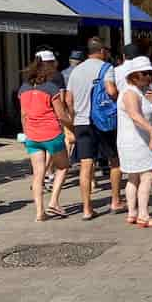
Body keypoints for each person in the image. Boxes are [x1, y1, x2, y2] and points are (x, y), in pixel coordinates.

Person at [65, 38, 123, 219]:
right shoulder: (107, 68)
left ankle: (87, 209)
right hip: (102, 121)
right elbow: (111, 91)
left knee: (86, 164)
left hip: (82, 122)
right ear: (102, 51)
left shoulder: (76, 71)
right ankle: (115, 200)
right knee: (114, 160)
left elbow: (68, 99)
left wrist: (73, 119)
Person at [18, 54, 72, 221]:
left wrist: (26, 131)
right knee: (62, 167)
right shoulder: (51, 88)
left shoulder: (23, 89)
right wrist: (71, 126)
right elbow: (61, 115)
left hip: (32, 136)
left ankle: (39, 212)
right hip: (52, 133)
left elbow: (23, 115)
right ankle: (54, 202)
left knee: (38, 174)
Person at [116, 55, 152, 229]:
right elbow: (135, 116)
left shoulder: (141, 92)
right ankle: (142, 213)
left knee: (133, 177)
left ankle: (133, 212)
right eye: (145, 73)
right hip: (136, 141)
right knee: (146, 176)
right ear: (134, 75)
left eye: (150, 73)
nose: (149, 77)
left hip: (135, 140)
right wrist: (151, 131)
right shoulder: (130, 92)